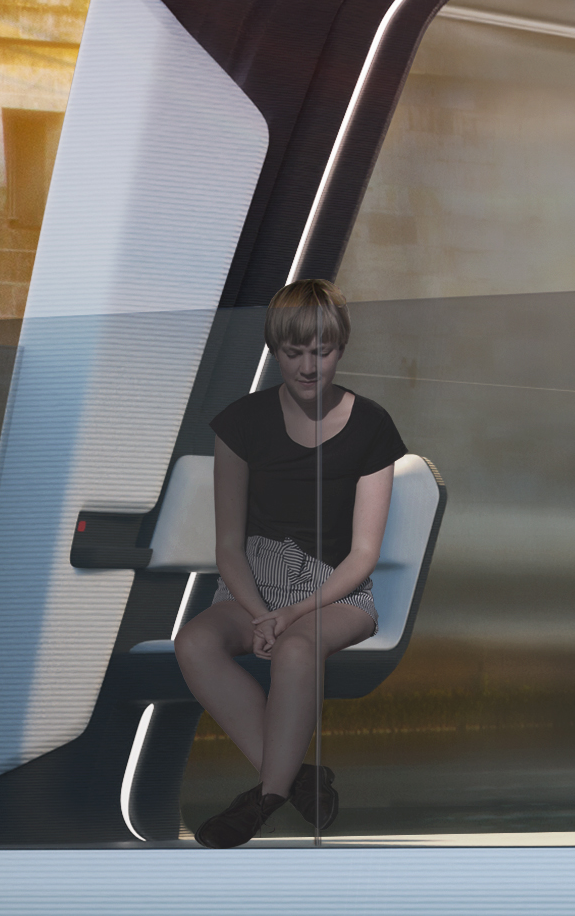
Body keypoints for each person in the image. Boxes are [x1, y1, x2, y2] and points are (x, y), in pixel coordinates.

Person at [166, 277, 404, 846]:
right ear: (275, 351)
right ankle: (297, 778)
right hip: (255, 582)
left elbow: (363, 555)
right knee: (194, 641)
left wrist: (292, 613)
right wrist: (257, 612)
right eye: (293, 352)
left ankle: (264, 800)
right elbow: (228, 546)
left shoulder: (372, 426)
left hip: (336, 589)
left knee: (299, 647)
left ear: (340, 348)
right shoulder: (241, 423)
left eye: (320, 352)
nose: (307, 366)